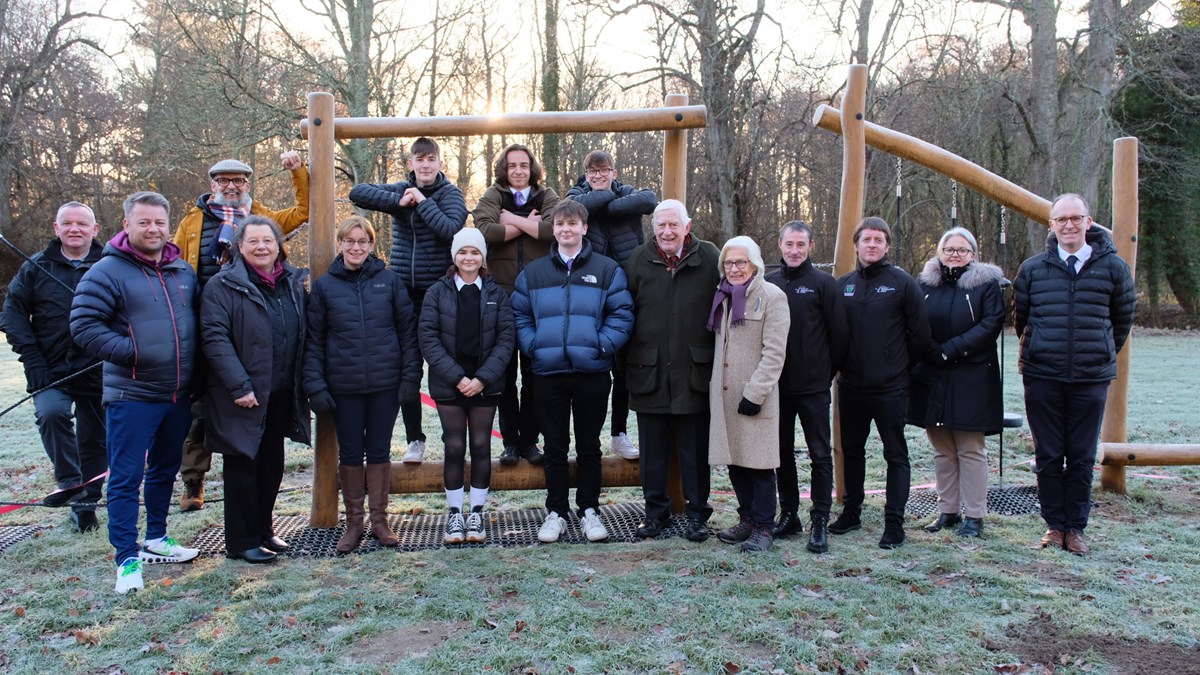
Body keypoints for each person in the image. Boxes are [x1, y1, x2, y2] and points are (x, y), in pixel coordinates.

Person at [71, 191, 200, 594]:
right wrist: (133, 352)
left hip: (177, 394)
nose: (153, 229)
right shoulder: (106, 271)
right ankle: (126, 558)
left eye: (160, 222)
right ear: (127, 225)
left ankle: (157, 538)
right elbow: (84, 325)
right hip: (133, 394)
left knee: (164, 469)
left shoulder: (182, 271)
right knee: (126, 478)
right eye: (144, 222)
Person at [173, 151, 310, 512]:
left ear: (248, 184)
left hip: (248, 320)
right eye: (224, 181)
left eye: (238, 181)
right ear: (213, 185)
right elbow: (175, 261)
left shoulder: (262, 219)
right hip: (204, 315)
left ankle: (258, 511)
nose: (231, 187)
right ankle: (193, 478)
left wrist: (299, 172)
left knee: (253, 412)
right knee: (202, 406)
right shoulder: (192, 222)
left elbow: (303, 212)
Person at [1015, 194, 1135, 555]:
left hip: (1089, 377)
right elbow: (1021, 319)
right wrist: (1041, 350)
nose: (1068, 224)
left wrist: (1097, 351)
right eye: (1061, 219)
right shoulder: (1033, 268)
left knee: (1081, 455)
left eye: (1075, 218)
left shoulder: (1113, 268)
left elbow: (1122, 319)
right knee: (1049, 455)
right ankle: (1054, 526)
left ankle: (1076, 528)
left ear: (1089, 221)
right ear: (1051, 225)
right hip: (1042, 375)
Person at [511, 200, 634, 544]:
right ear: (553, 230)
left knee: (589, 446)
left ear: (584, 228)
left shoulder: (607, 270)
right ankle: (556, 512)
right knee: (554, 446)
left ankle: (590, 510)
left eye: (572, 224)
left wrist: (601, 344)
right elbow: (519, 316)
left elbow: (622, 314)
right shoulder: (533, 274)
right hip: (547, 373)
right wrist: (533, 345)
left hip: (592, 371)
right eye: (560, 224)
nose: (566, 229)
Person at [304, 216, 422, 554]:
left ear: (371, 245)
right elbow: (313, 341)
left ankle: (380, 520)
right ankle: (354, 522)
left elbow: (407, 335)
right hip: (344, 387)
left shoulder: (389, 281)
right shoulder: (325, 287)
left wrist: (410, 379)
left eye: (363, 242)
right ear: (340, 244)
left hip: (385, 385)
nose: (356, 247)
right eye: (350, 241)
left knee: (380, 451)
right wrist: (316, 385)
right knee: (352, 453)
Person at [349, 137, 467, 465]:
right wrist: (401, 200)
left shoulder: (450, 194)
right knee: (407, 368)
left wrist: (422, 201)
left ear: (440, 164)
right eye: (420, 159)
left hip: (440, 292)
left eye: (431, 159)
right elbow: (358, 192)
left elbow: (450, 228)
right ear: (412, 163)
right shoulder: (401, 189)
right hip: (402, 292)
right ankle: (415, 438)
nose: (425, 165)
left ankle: (453, 440)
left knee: (443, 367)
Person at [201, 217, 310, 564]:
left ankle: (264, 529)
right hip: (242, 393)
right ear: (240, 247)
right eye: (254, 242)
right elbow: (215, 339)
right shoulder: (223, 286)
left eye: (268, 240)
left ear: (279, 245)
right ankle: (241, 539)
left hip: (279, 390)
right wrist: (239, 385)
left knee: (271, 462)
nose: (262, 247)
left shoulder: (291, 283)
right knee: (243, 465)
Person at [1, 202, 106, 532]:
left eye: (81, 224)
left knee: (95, 438)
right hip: (50, 369)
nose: (74, 229)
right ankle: (70, 482)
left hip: (99, 368)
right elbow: (13, 314)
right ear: (56, 228)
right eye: (67, 223)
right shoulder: (36, 266)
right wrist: (33, 360)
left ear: (95, 229)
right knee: (52, 414)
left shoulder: (111, 264)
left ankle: (86, 502)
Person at [829, 217, 931, 549]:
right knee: (852, 452)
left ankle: (894, 523)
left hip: (890, 387)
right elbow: (833, 333)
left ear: (887, 246)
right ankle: (851, 512)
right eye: (866, 239)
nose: (872, 245)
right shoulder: (843, 284)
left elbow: (920, 335)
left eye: (879, 240)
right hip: (851, 387)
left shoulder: (902, 284)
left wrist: (898, 368)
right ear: (856, 244)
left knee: (895, 454)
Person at [623, 200, 719, 542]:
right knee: (653, 454)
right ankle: (655, 514)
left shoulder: (709, 257)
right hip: (648, 371)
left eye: (673, 226)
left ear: (686, 227)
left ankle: (697, 516)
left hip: (695, 371)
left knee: (695, 452)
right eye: (660, 225)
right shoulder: (636, 259)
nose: (666, 232)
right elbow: (625, 314)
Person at [907, 227, 1005, 539]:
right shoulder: (925, 285)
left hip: (971, 374)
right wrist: (929, 349)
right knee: (942, 448)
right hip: (932, 372)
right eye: (949, 249)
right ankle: (947, 510)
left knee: (970, 448)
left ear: (973, 254)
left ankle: (974, 515)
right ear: (939, 252)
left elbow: (990, 324)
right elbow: (914, 321)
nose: (955, 255)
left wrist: (950, 350)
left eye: (962, 250)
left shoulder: (987, 285)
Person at [418, 228, 515, 544]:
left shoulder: (496, 293)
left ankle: (477, 513)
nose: (468, 258)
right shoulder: (437, 292)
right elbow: (428, 339)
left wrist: (482, 378)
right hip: (450, 384)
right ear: (454, 257)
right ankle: (455, 515)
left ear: (482, 257)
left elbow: (506, 340)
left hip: (485, 384)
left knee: (481, 446)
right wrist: (458, 378)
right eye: (463, 252)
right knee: (455, 446)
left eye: (475, 253)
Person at [566, 150, 657, 460]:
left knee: (625, 368)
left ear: (614, 172)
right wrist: (604, 202)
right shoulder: (577, 194)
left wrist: (605, 201)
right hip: (590, 289)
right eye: (593, 172)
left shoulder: (626, 192)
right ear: (586, 174)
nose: (598, 176)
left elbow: (648, 200)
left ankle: (619, 432)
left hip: (629, 287)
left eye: (604, 171)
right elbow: (573, 208)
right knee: (590, 364)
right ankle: (584, 439)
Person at [472, 143, 559, 466]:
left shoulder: (547, 195)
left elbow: (552, 231)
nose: (519, 171)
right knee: (504, 375)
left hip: (539, 297)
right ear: (504, 169)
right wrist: (524, 224)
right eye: (512, 166)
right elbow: (484, 231)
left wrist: (511, 221)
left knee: (535, 372)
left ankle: (530, 442)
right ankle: (509, 442)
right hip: (501, 298)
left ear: (532, 168)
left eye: (524, 165)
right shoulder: (493, 196)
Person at [765, 220, 847, 553]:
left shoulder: (824, 284)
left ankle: (820, 520)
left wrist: (825, 373)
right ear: (780, 246)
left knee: (819, 455)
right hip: (776, 387)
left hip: (813, 387)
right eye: (789, 244)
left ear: (810, 246)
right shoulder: (769, 284)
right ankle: (789, 514)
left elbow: (839, 335)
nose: (795, 250)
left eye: (801, 245)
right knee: (780, 454)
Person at [708, 236, 791, 552]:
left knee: (759, 466)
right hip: (725, 398)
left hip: (755, 397)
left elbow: (774, 353)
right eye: (728, 263)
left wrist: (755, 393)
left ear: (754, 263)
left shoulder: (772, 297)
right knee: (735, 462)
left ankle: (764, 528)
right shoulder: (723, 296)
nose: (734, 268)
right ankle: (746, 519)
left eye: (740, 262)